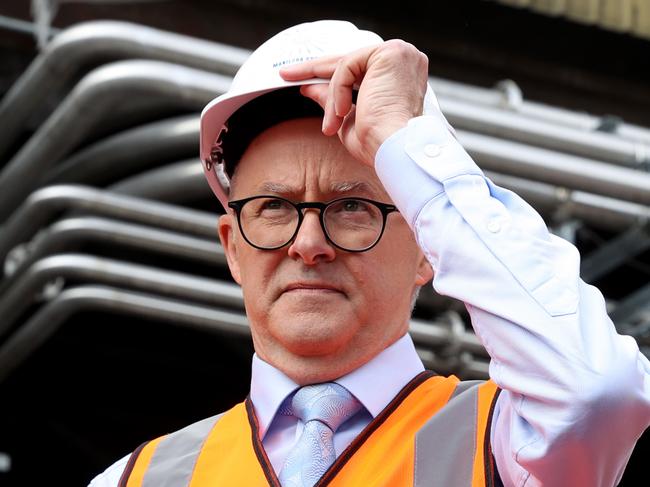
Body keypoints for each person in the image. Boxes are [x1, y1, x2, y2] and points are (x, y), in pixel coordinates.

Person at [89, 20, 650, 487]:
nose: (308, 245)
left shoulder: (509, 444)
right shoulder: (135, 479)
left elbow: (597, 390)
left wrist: (408, 145)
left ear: (429, 245)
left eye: (353, 209)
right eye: (274, 208)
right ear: (232, 248)